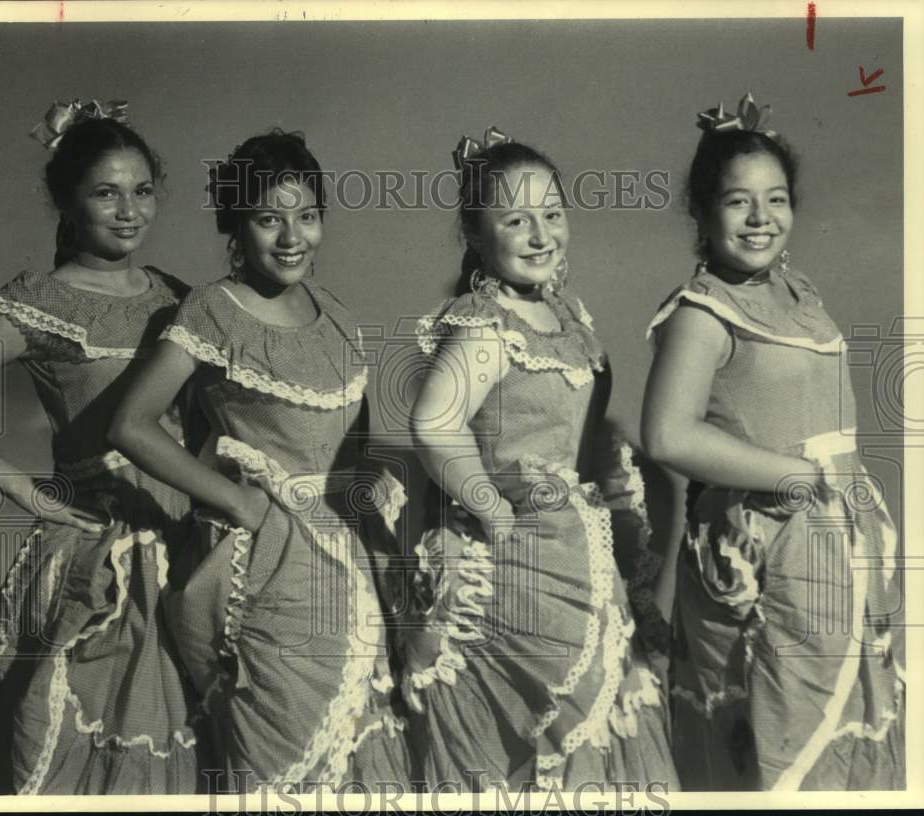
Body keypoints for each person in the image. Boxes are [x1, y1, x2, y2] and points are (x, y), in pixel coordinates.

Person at [107, 129, 409, 792]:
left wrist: (377, 487)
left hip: (343, 569)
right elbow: (130, 424)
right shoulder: (213, 310)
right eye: (269, 219)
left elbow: (351, 452)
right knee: (278, 754)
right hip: (262, 571)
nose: (291, 237)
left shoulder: (339, 318)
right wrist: (239, 502)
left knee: (360, 748)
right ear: (235, 225)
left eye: (307, 216)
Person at [397, 129, 679, 792]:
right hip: (515, 567)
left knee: (604, 716)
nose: (539, 234)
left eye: (552, 215)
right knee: (544, 733)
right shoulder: (486, 323)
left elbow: (586, 443)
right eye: (515, 219)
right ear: (473, 232)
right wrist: (491, 508)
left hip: (576, 558)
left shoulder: (569, 320)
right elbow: (434, 423)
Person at [641, 93, 905, 790]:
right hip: (773, 545)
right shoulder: (703, 310)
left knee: (857, 740)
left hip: (840, 544)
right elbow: (667, 434)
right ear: (701, 214)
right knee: (785, 745)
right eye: (737, 203)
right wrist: (796, 478)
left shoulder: (800, 293)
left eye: (777, 199)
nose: (762, 219)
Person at [0, 102, 201, 794]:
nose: (129, 211)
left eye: (143, 190)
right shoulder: (41, 301)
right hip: (102, 559)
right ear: (66, 199)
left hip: (191, 547)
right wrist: (23, 490)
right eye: (105, 192)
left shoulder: (179, 298)